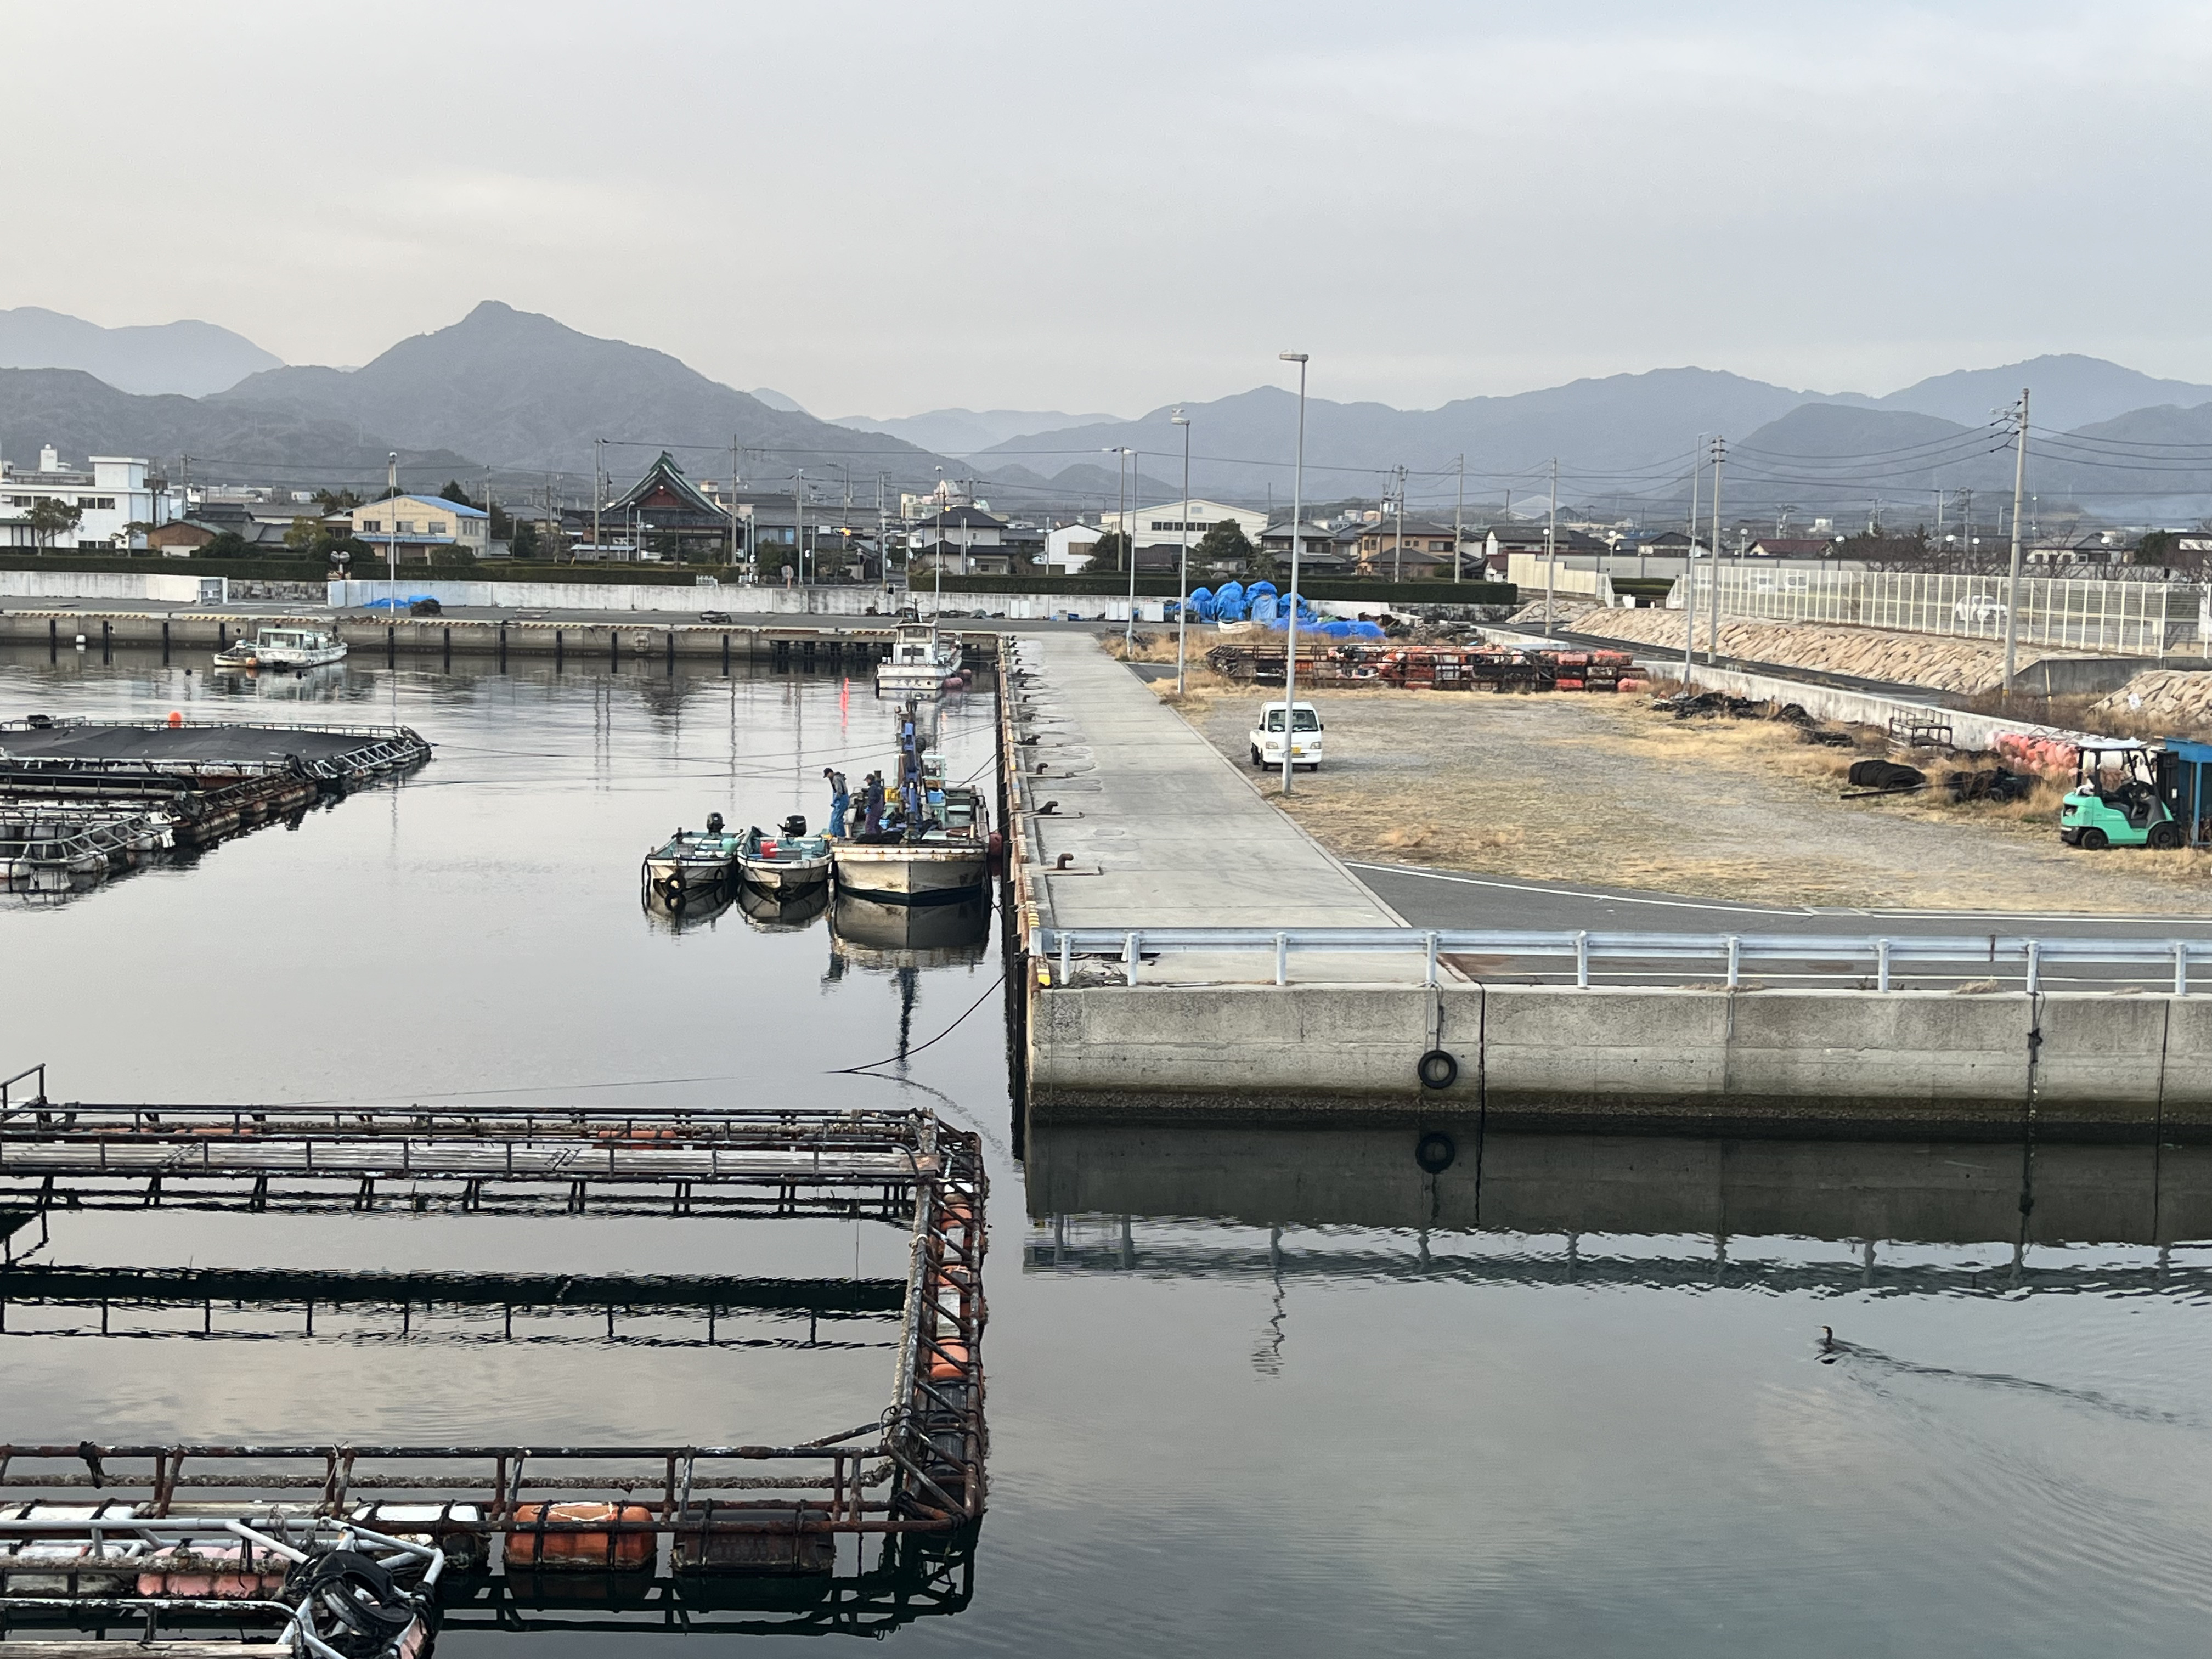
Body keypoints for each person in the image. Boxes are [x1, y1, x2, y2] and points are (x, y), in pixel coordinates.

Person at [823, 767, 849, 839]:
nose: (828, 777)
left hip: (841, 801)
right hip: (843, 800)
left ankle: (839, 835)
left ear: (830, 773)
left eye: (827, 775)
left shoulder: (836, 779)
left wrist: (835, 800)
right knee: (834, 817)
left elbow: (839, 791)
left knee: (837, 819)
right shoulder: (839, 777)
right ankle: (833, 833)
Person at [863, 770, 886, 835]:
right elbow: (883, 799)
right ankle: (878, 836)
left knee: (869, 824)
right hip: (880, 808)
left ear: (869, 780)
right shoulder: (880, 787)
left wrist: (869, 806)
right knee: (876, 823)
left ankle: (871, 837)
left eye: (867, 781)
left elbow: (872, 799)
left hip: (874, 808)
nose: (867, 782)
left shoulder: (872, 788)